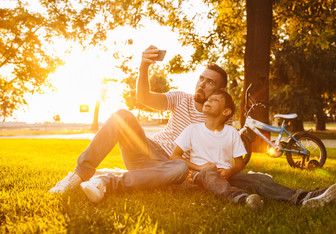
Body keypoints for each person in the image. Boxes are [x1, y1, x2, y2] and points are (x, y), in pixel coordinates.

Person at [49, 45, 229, 201]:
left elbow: (221, 159)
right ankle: (79, 174)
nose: (202, 84)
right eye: (201, 78)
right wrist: (144, 67)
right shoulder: (180, 98)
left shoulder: (220, 121)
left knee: (180, 167)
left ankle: (105, 183)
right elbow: (143, 98)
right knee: (122, 116)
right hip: (146, 149)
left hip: (170, 167)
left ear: (221, 90)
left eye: (210, 82)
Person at [170, 90, 336, 209]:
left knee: (258, 179)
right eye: (208, 99)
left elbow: (239, 163)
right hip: (200, 176)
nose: (208, 101)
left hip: (227, 177)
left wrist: (230, 171)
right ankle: (242, 199)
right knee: (209, 172)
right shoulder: (192, 129)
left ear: (226, 112)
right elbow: (174, 157)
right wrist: (201, 168)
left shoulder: (231, 133)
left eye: (215, 100)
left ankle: (305, 197)